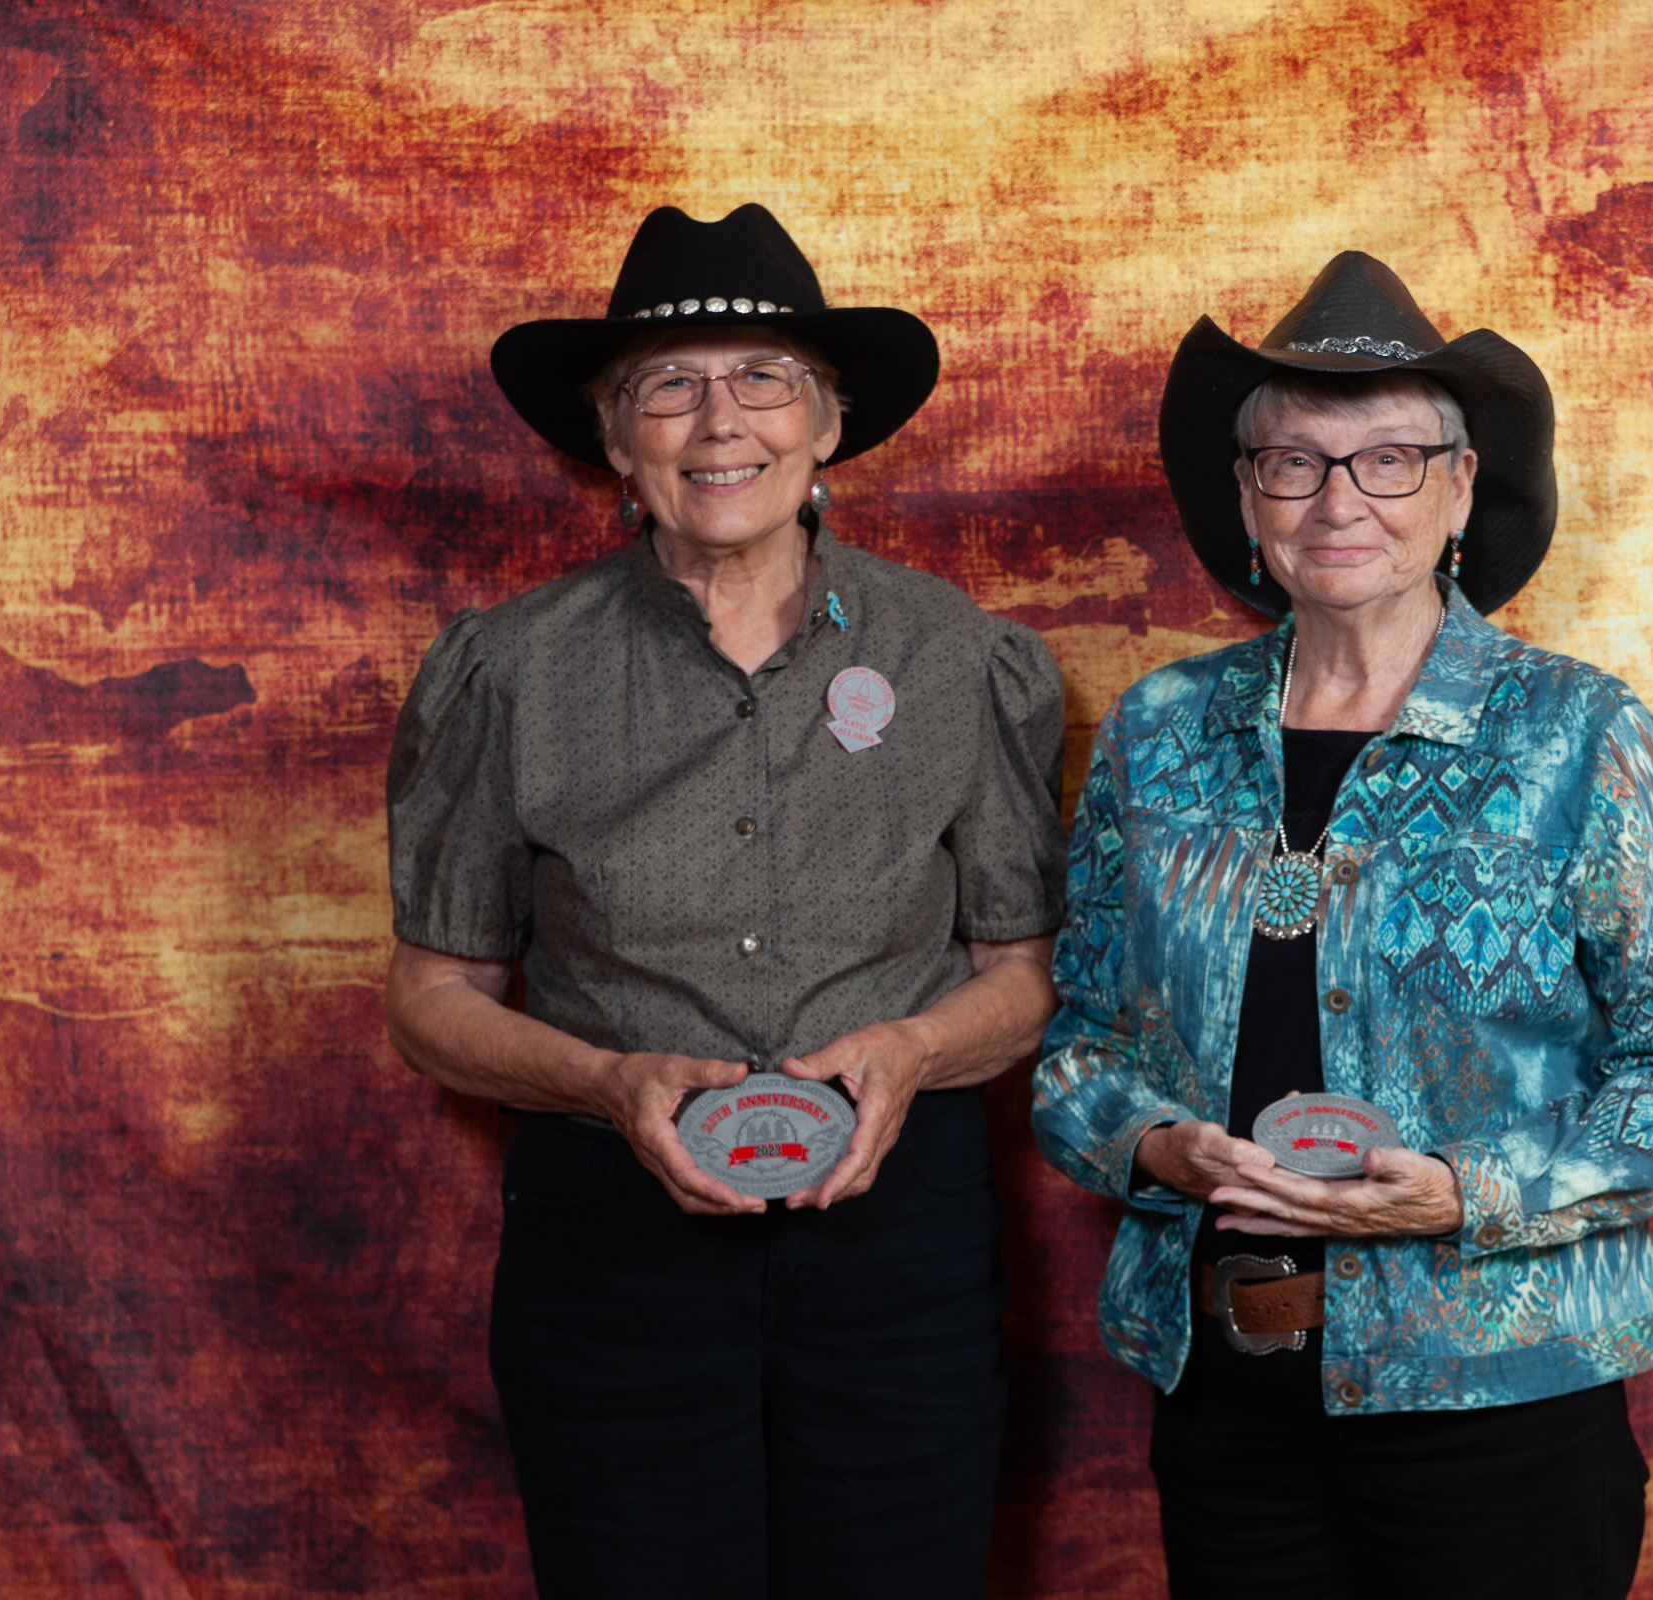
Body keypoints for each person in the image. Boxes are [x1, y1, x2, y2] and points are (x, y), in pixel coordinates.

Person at [1032, 252, 1653, 1599]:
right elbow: (1079, 1044)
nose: (1338, 500)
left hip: (1503, 1399)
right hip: (1228, 1400)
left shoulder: (1577, 733)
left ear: (1461, 487)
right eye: (1294, 463)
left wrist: (1469, 1192)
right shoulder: (1160, 732)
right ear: (1246, 496)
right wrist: (1153, 1146)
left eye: (1388, 459)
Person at [385, 204, 1065, 1599]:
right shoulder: (505, 670)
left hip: (900, 1241)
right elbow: (432, 999)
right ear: (612, 437)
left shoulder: (960, 656)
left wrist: (916, 1050)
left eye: (765, 379)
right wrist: (606, 1084)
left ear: (828, 423)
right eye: (668, 387)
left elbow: (1023, 975)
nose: (719, 423)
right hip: (611, 1251)